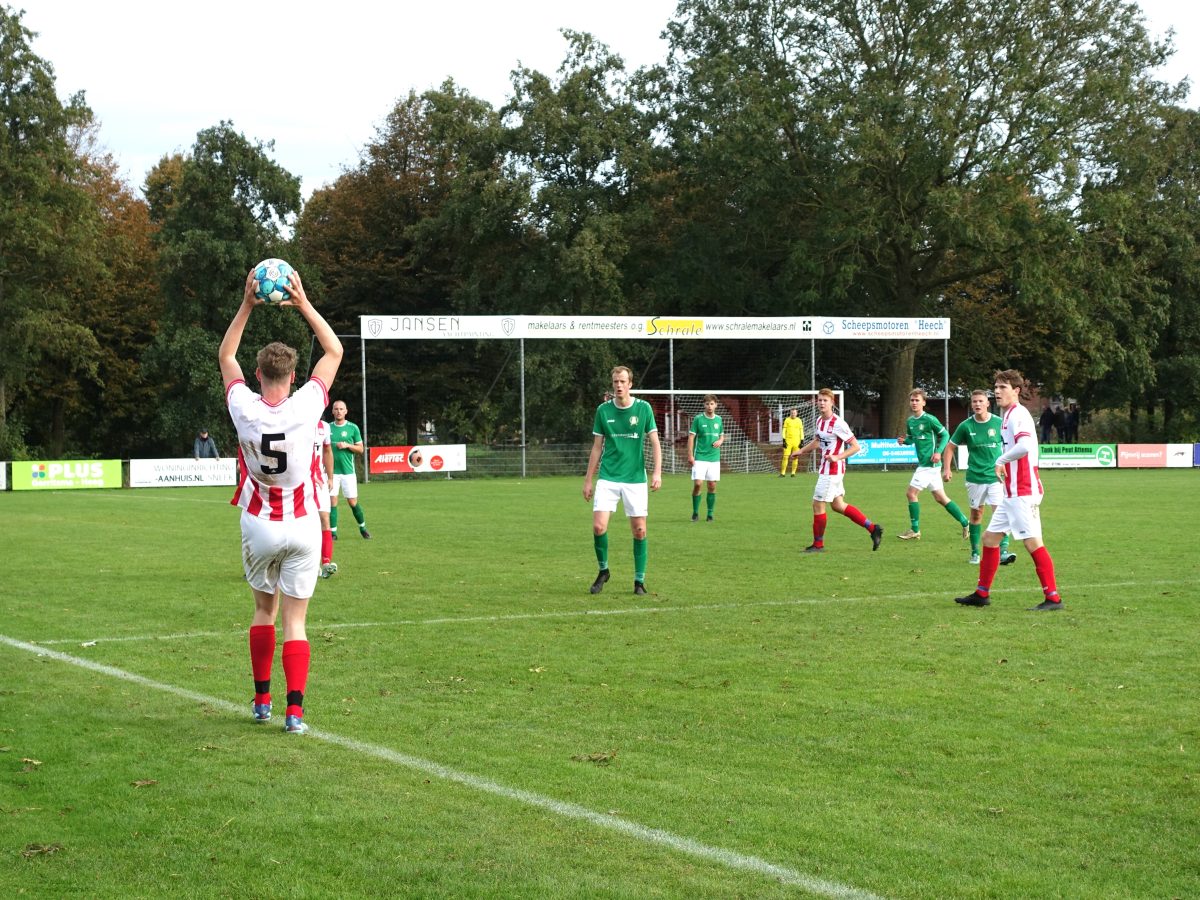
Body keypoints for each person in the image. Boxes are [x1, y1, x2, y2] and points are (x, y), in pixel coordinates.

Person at [219, 266, 343, 734]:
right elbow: (334, 349)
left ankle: (261, 700)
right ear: (293, 376)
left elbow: (224, 353)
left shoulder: (243, 407)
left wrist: (248, 304)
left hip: (259, 522)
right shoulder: (309, 403)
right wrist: (303, 302)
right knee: (296, 621)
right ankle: (294, 712)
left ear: (257, 374)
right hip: (304, 522)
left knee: (263, 611)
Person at [955, 369, 1063, 611]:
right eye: (995, 387)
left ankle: (1053, 598)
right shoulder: (1007, 415)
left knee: (1033, 543)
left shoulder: (1018, 415)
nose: (997, 391)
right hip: (1011, 492)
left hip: (1023, 490)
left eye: (1002, 387)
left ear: (1016, 391)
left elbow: (1025, 445)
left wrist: (1000, 460)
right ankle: (982, 594)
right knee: (990, 539)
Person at [583, 365, 663, 595]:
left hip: (635, 479)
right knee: (598, 527)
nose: (618, 385)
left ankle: (639, 581)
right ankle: (603, 570)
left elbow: (655, 443)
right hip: (608, 477)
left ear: (630, 384)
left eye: (622, 381)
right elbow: (597, 448)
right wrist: (588, 480)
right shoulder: (603, 411)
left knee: (639, 530)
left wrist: (657, 472)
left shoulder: (643, 409)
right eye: (615, 381)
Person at [793, 387, 883, 553]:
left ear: (832, 403)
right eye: (819, 400)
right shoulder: (820, 421)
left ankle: (818, 545)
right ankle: (873, 528)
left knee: (817, 504)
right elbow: (818, 442)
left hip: (832, 471)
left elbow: (856, 446)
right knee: (838, 505)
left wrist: (837, 456)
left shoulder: (839, 423)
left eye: (825, 400)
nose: (821, 403)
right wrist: (801, 450)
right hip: (826, 469)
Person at [942, 389, 1016, 566]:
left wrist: (1006, 463)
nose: (977, 404)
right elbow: (950, 447)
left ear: (987, 403)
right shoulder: (966, 426)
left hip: (995, 477)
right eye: (974, 401)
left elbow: (1011, 444)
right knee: (976, 515)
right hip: (974, 477)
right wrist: (947, 469)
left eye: (980, 401)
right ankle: (975, 552)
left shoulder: (999, 423)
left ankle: (1003, 551)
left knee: (1001, 513)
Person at [894, 388, 969, 541]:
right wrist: (905, 441)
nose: (914, 403)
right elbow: (912, 439)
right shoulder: (910, 421)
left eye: (917, 400)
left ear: (923, 402)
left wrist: (938, 452)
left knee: (911, 494)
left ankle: (915, 530)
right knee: (941, 498)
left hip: (929, 465)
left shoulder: (930, 419)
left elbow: (945, 434)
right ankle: (965, 522)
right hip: (927, 465)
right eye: (912, 400)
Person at [328, 400, 371, 540]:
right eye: (336, 409)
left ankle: (363, 528)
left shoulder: (353, 428)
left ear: (346, 411)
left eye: (341, 409)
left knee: (352, 502)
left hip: (348, 472)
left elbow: (360, 449)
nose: (339, 411)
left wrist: (347, 445)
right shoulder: (327, 428)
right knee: (332, 501)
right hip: (331, 472)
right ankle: (333, 533)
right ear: (332, 411)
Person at [687, 394, 724, 522]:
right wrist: (690, 455)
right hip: (700, 456)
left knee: (712, 485)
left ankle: (710, 514)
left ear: (716, 405)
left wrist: (720, 440)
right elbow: (691, 437)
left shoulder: (719, 419)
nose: (709, 406)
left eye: (712, 404)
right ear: (704, 405)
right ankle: (695, 512)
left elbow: (721, 435)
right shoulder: (698, 419)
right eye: (707, 404)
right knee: (698, 484)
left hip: (714, 458)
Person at [315, 419, 337, 579]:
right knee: (304, 521)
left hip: (320, 479)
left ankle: (326, 563)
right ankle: (310, 564)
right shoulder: (295, 421)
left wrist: (330, 477)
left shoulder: (324, 426)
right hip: (301, 480)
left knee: (324, 518)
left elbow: (327, 451)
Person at [780, 407, 804, 477]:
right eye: (792, 413)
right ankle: (783, 473)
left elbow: (801, 431)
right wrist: (784, 440)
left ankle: (793, 473)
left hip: (797, 442)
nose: (793, 414)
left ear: (796, 413)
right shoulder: (787, 420)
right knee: (785, 457)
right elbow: (784, 430)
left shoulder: (799, 420)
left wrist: (802, 440)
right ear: (790, 413)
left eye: (794, 413)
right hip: (788, 442)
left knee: (795, 457)